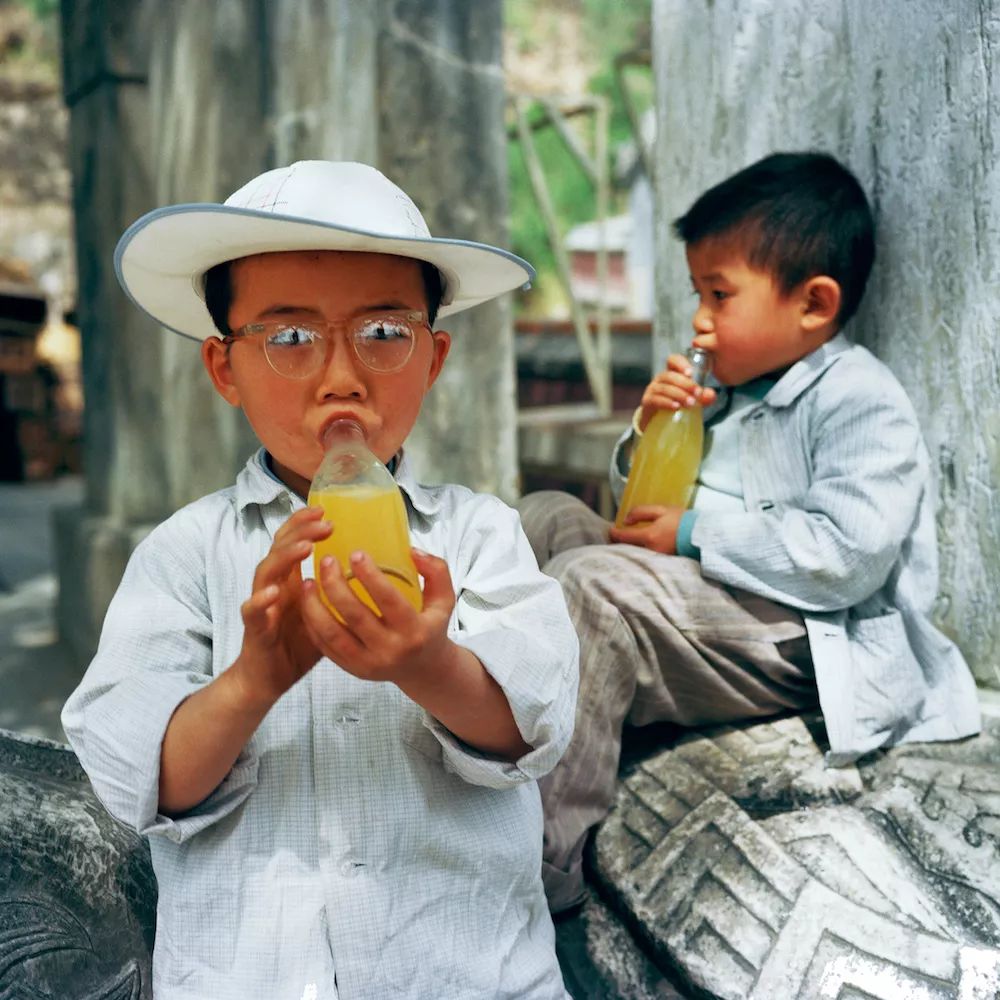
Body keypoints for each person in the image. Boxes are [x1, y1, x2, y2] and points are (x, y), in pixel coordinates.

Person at [62, 160, 579, 999]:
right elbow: (143, 777)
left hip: (470, 976)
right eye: (291, 339)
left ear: (434, 356)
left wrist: (430, 664)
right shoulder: (185, 553)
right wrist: (251, 680)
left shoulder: (478, 535)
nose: (342, 376)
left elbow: (534, 723)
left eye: (383, 333)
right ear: (225, 369)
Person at [518, 151, 982, 914]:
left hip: (804, 634)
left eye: (719, 294)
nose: (699, 317)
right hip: (709, 602)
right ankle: (487, 751)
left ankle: (541, 870)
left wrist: (694, 531)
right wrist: (654, 427)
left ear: (813, 304)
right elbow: (642, 505)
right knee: (542, 518)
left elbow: (847, 556)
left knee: (589, 589)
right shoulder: (725, 393)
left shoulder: (859, 399)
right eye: (698, 291)